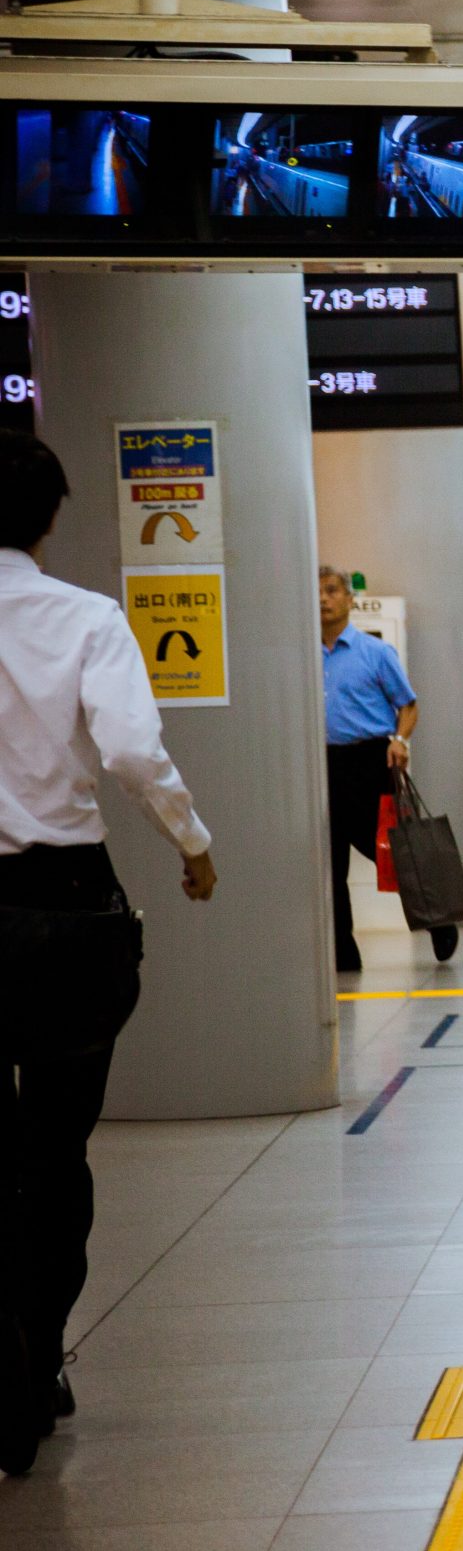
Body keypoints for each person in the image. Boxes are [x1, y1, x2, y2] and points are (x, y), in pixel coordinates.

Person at [0, 431, 218, 1475]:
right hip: (66, 912)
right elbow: (132, 749)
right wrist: (193, 842)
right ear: (50, 516)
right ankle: (33, 1362)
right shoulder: (85, 619)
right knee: (53, 1150)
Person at [319, 565, 455, 970]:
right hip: (322, 762)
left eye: (331, 591)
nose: (323, 599)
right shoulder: (302, 655)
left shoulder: (374, 652)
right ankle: (344, 952)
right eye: (317, 593)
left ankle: (438, 918)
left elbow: (408, 705)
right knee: (330, 862)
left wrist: (399, 740)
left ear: (349, 599)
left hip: (370, 759)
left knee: (391, 851)